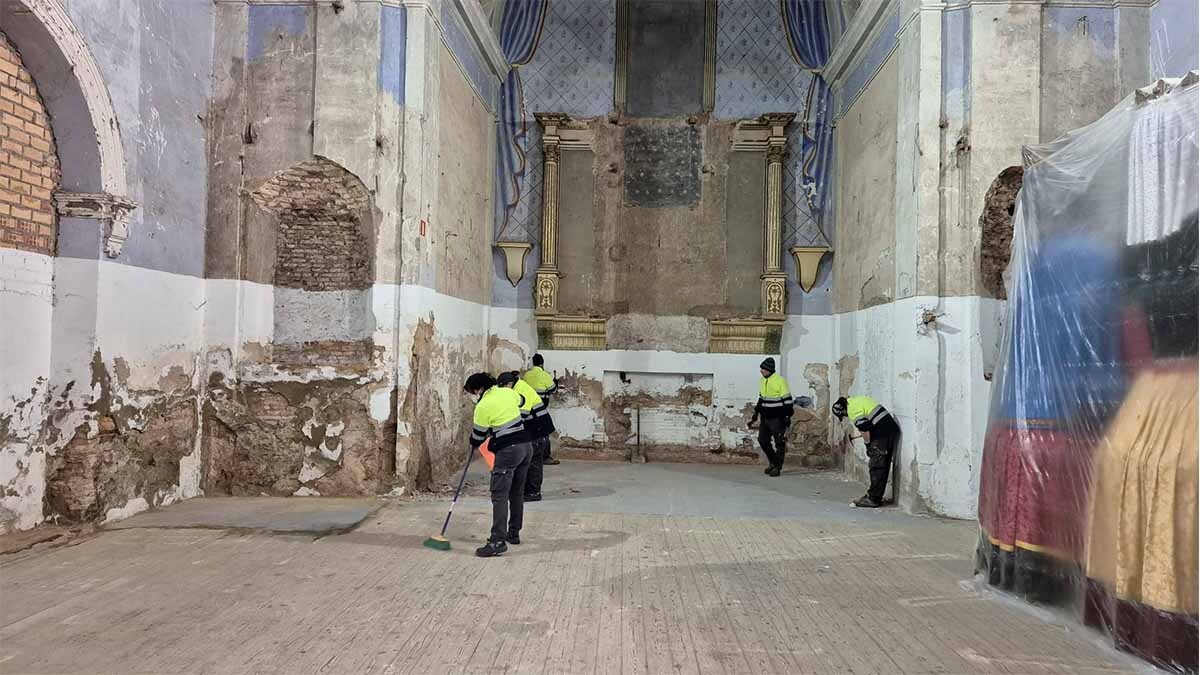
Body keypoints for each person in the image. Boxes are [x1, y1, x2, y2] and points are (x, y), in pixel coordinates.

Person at [464, 371, 532, 557]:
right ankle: (513, 533)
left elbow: (478, 436)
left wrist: (473, 441)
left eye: (471, 392)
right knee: (516, 492)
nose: (472, 396)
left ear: (478, 389)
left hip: (508, 451)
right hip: (526, 446)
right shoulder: (506, 392)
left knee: (499, 495)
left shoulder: (483, 406)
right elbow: (523, 401)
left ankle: (497, 541)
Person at [832, 395, 901, 508]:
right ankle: (875, 495)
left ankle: (873, 499)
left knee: (877, 464)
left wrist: (868, 445)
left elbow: (865, 430)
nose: (846, 416)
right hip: (887, 428)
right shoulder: (855, 401)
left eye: (843, 415)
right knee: (881, 463)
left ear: (843, 410)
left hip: (883, 432)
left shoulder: (852, 410)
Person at [510, 371, 553, 502]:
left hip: (537, 427)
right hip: (537, 425)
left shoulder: (521, 390)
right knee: (531, 459)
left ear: (509, 383)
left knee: (534, 461)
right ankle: (527, 490)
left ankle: (533, 492)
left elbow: (521, 415)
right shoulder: (519, 386)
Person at [749, 357, 792, 477]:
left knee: (779, 443)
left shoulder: (780, 381)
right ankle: (773, 461)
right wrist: (755, 414)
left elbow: (787, 400)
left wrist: (787, 416)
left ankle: (777, 467)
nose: (761, 371)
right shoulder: (762, 381)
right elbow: (761, 399)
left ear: (769, 369)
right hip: (765, 417)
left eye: (763, 369)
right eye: (761, 368)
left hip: (778, 418)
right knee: (762, 440)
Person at [522, 353, 560, 465]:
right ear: (542, 364)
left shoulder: (526, 375)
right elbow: (553, 390)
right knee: (544, 432)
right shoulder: (545, 375)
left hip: (527, 409)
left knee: (529, 432)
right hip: (540, 408)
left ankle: (528, 456)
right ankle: (545, 457)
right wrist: (555, 383)